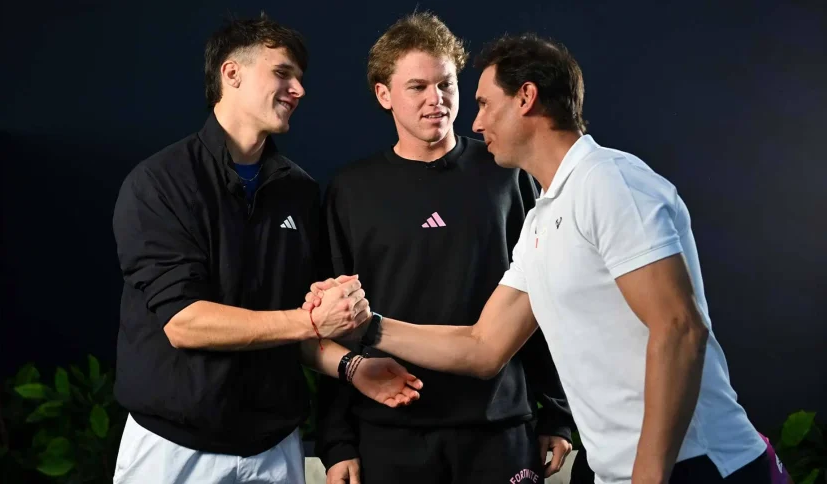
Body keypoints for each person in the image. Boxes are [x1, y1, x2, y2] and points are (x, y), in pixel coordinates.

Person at [306, 33, 777, 484]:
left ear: (526, 98)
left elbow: (679, 330)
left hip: (696, 465)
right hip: (617, 469)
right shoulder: (542, 218)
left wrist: (648, 478)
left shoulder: (609, 182)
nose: (474, 121)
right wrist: (367, 325)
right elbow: (483, 346)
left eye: (485, 103)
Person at [111, 15, 422, 484]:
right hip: (172, 449)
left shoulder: (297, 190)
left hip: (274, 448)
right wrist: (313, 320)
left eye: (300, 78)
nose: (298, 89)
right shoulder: (159, 184)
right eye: (282, 73)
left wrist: (353, 366)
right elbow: (184, 323)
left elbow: (290, 329)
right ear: (231, 74)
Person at [313, 13, 573, 484]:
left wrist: (555, 413)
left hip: (499, 427)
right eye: (417, 87)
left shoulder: (506, 174)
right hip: (390, 430)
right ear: (383, 94)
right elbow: (335, 322)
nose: (436, 100)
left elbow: (544, 299)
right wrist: (337, 442)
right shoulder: (351, 190)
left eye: (446, 84)